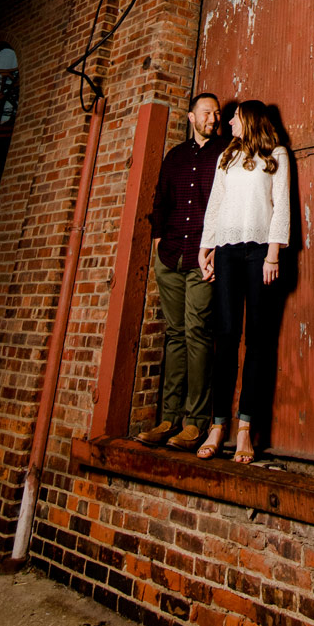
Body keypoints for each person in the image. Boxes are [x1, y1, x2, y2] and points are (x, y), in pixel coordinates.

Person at [196, 100, 290, 464]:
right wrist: (207, 249)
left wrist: (273, 253)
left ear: (249, 120)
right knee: (225, 336)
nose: (229, 121)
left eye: (234, 117)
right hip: (227, 251)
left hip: (259, 254)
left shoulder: (276, 154)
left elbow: (281, 205)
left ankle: (245, 429)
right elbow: (215, 205)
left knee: (258, 341)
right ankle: (217, 427)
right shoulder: (226, 157)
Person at [137, 92, 226, 450]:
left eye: (217, 113)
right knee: (174, 335)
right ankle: (169, 418)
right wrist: (158, 239)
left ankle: (195, 422)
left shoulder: (226, 153)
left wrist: (219, 249)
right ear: (192, 117)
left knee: (197, 332)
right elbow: (161, 199)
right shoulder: (174, 156)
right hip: (171, 256)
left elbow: (229, 205)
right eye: (207, 112)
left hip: (202, 258)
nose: (214, 117)